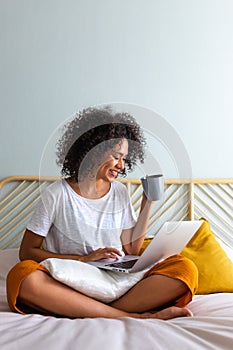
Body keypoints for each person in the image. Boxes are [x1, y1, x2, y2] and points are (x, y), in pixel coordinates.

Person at [7, 106, 198, 320]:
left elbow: (132, 248)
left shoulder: (119, 192)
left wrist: (147, 204)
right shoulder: (57, 195)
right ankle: (132, 315)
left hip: (116, 279)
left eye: (124, 158)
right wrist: (84, 259)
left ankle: (92, 309)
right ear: (94, 150)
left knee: (184, 268)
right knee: (22, 276)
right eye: (117, 156)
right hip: (72, 280)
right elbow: (27, 251)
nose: (121, 165)